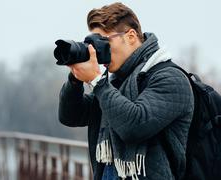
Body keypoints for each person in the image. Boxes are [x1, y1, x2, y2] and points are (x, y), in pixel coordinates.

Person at [58, 2, 194, 180]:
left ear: (130, 36)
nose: (99, 51)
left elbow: (134, 125)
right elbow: (71, 116)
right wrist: (75, 78)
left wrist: (97, 82)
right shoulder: (114, 82)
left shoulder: (171, 79)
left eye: (103, 42)